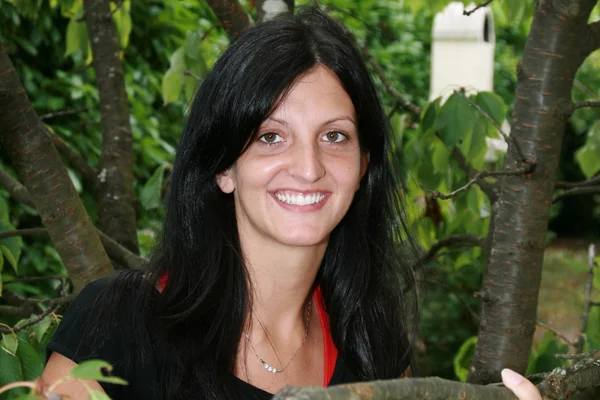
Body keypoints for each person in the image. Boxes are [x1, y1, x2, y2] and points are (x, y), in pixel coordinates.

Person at [41, 6, 542, 400]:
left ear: (364, 164)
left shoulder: (374, 347)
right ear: (222, 168)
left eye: (335, 136)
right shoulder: (119, 325)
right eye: (270, 137)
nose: (308, 167)